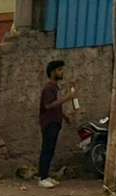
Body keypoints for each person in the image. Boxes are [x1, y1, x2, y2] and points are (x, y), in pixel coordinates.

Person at [38, 60, 76, 189]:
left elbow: (56, 106)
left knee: (51, 149)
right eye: (60, 70)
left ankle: (46, 176)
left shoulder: (55, 87)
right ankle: (42, 178)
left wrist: (65, 116)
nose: (62, 72)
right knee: (47, 149)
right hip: (49, 123)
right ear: (53, 72)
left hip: (55, 122)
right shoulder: (48, 88)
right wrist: (67, 98)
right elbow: (48, 105)